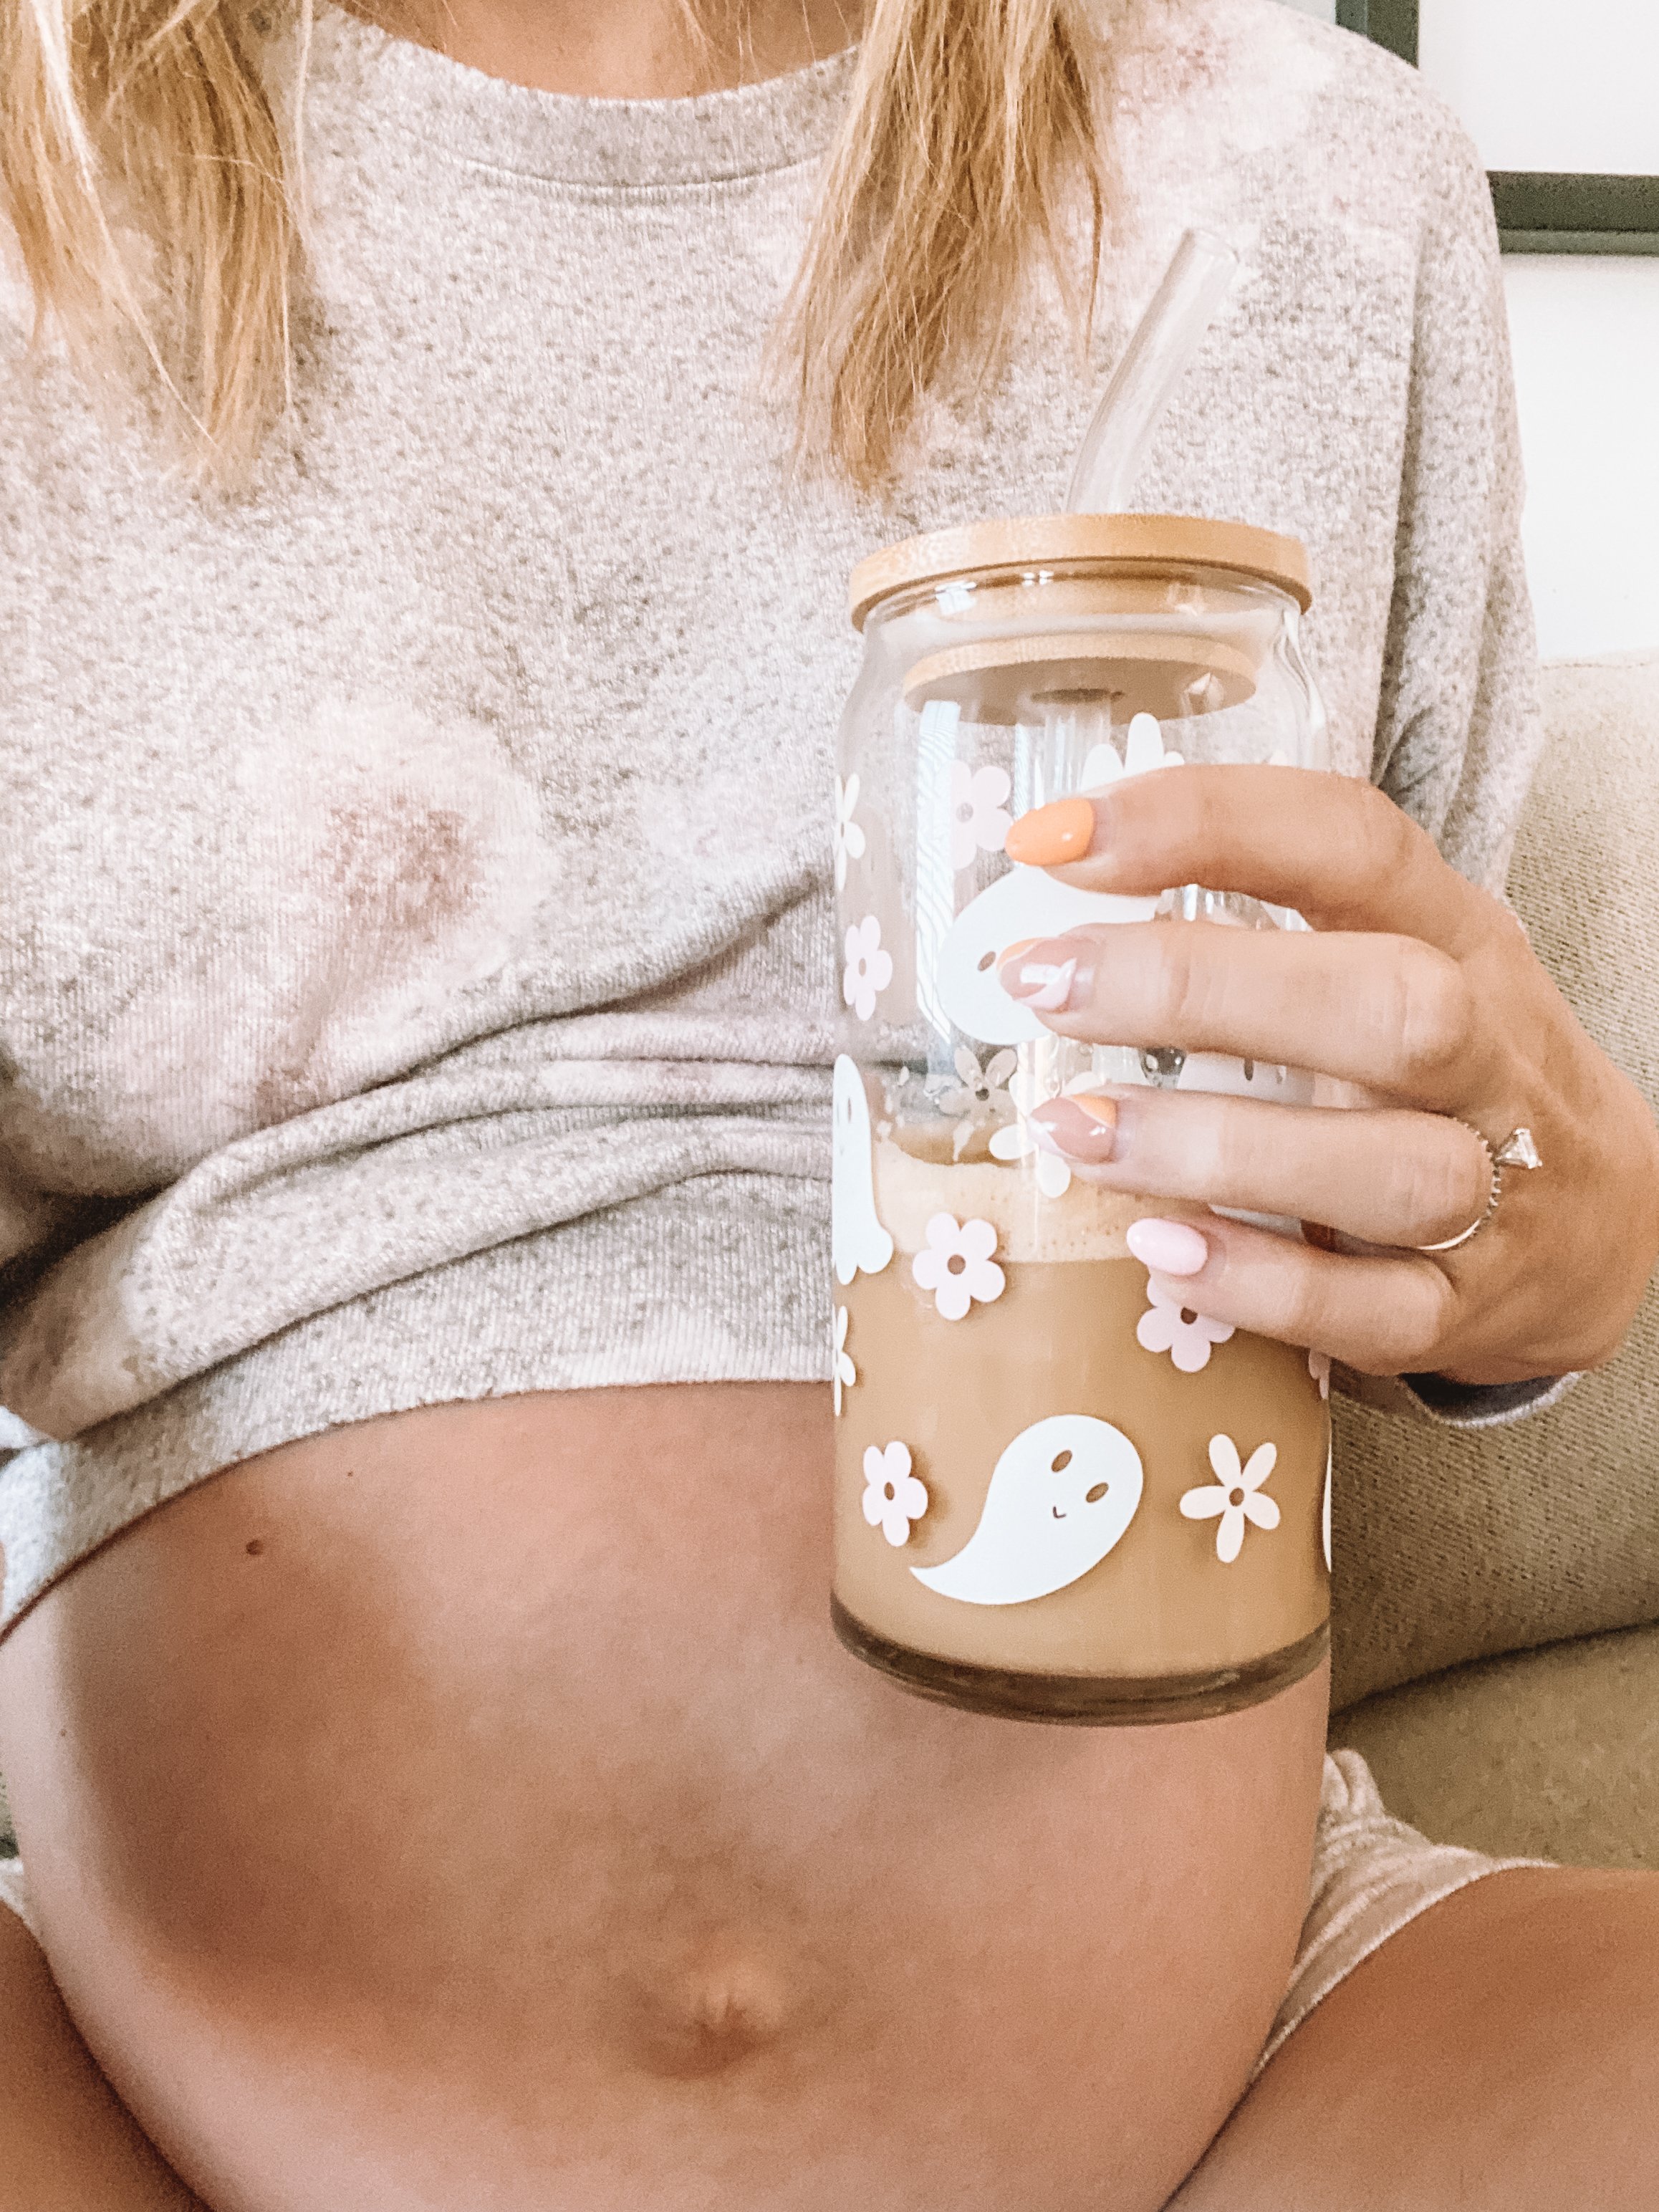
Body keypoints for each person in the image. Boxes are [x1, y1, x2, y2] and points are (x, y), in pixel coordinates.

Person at [0, 0, 1655, 2203]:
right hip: (131, 2097)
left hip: (1260, 2078)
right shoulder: (44, 182)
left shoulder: (1317, 179)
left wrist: (1553, 1256)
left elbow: (1436, 1109)